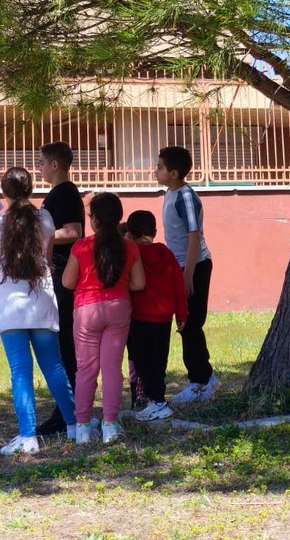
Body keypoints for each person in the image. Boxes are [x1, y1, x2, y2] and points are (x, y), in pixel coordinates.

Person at [0, 167, 80, 454]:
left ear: (4, 193)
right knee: (54, 366)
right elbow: (48, 258)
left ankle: (27, 437)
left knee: (20, 372)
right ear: (31, 189)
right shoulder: (46, 219)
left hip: (9, 305)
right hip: (41, 301)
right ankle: (76, 426)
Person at [62, 192, 144, 444]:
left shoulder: (81, 247)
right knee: (112, 369)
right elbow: (139, 283)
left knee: (86, 369)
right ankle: (110, 424)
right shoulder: (130, 247)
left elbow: (67, 282)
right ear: (119, 217)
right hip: (118, 308)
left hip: (86, 310)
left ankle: (83, 427)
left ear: (93, 219)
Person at [155, 146, 218, 403]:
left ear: (174, 173)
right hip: (180, 267)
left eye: (160, 167)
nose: (155, 171)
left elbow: (194, 236)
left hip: (194, 266)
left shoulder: (186, 197)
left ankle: (199, 381)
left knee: (190, 323)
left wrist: (188, 275)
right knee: (185, 323)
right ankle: (205, 377)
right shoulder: (170, 194)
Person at [36, 141, 85, 437]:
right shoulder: (59, 193)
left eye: (41, 162)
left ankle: (66, 410)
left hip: (64, 275)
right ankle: (66, 407)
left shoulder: (64, 192)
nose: (39, 168)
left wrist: (40, 233)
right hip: (59, 273)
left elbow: (74, 231)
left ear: (55, 165)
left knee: (64, 341)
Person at [123, 210, 188, 422]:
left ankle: (158, 402)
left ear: (129, 235)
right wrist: (182, 313)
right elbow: (178, 283)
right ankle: (156, 399)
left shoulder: (133, 253)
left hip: (142, 317)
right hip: (164, 317)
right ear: (155, 231)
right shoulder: (166, 253)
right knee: (159, 360)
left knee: (143, 361)